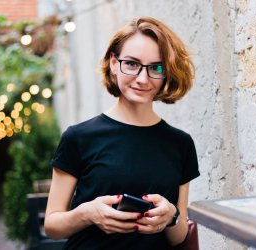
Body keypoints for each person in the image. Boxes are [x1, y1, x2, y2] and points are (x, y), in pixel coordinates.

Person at [44, 16, 200, 249]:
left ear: (167, 73)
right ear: (114, 63)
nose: (143, 78)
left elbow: (177, 237)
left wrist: (172, 217)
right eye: (132, 64)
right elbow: (52, 225)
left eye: (156, 67)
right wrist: (87, 213)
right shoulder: (78, 137)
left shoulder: (181, 143)